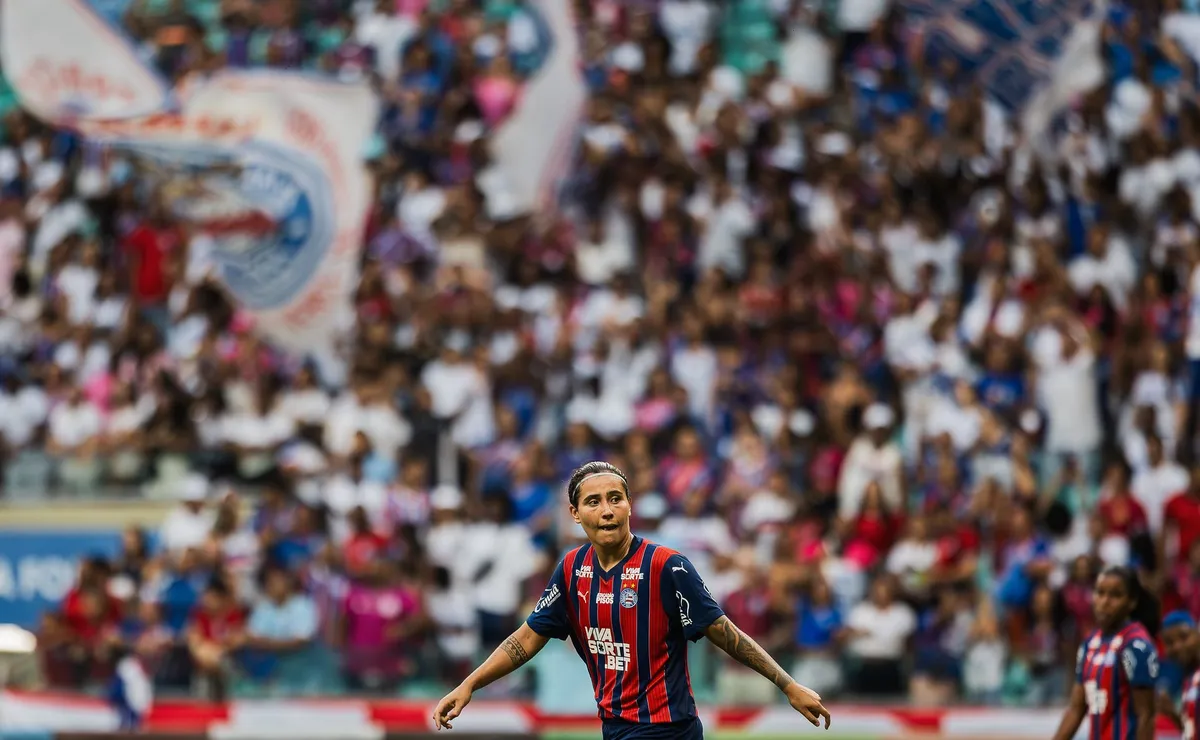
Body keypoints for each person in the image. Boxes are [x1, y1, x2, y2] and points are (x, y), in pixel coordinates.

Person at [432, 461, 831, 737]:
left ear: (629, 505)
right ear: (574, 513)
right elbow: (527, 638)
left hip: (667, 730)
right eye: (593, 501)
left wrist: (787, 684)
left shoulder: (666, 566)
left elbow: (724, 632)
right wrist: (469, 685)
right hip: (615, 727)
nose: (607, 510)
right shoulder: (571, 569)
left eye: (615, 498)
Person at [1051, 566, 1161, 740]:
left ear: (1131, 602)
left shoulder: (1135, 646)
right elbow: (1076, 709)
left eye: (1115, 595)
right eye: (1100, 593)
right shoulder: (1090, 644)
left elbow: (1145, 715)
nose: (1104, 602)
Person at [1161, 611, 1200, 737]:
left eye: (1184, 637)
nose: (1177, 646)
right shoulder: (1188, 681)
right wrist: (1173, 715)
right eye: (1169, 642)